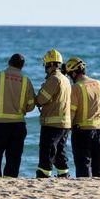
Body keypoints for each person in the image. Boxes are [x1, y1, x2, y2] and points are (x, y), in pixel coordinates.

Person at [0, 53, 36, 179]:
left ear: (9, 63)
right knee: (14, 159)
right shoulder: (26, 81)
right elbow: (31, 106)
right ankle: (9, 183)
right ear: (22, 66)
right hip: (18, 126)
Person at [64, 57, 100, 178]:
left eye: (70, 75)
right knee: (99, 167)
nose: (70, 78)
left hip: (82, 132)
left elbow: (71, 112)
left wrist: (66, 128)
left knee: (83, 167)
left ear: (74, 73)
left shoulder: (76, 88)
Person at [35, 49, 71, 178]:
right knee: (60, 152)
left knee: (47, 151)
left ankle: (43, 176)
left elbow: (40, 99)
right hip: (65, 123)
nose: (45, 68)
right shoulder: (65, 79)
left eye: (45, 65)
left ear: (49, 64)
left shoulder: (54, 79)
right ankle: (63, 175)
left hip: (52, 123)